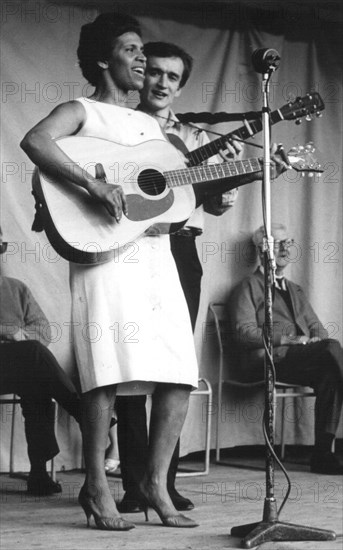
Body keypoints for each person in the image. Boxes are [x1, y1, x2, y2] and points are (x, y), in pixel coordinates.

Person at [21, 13, 202, 530]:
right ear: (103, 59)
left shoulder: (151, 125)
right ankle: (96, 487)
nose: (143, 59)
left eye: (143, 49)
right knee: (104, 371)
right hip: (102, 252)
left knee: (177, 371)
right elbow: (36, 142)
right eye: (130, 49)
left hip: (153, 253)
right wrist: (94, 187)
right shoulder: (82, 110)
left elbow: (172, 196)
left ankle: (153, 483)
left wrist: (248, 169)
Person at [115, 41, 242, 515]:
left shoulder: (194, 134)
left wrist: (224, 188)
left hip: (181, 247)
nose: (163, 84)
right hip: (131, 244)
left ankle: (161, 480)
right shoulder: (121, 127)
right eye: (156, 74)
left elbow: (208, 201)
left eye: (173, 77)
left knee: (174, 365)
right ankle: (131, 485)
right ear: (141, 75)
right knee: (130, 364)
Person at [227, 223, 343, 474]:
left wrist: (313, 340)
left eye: (287, 242)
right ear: (262, 250)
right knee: (332, 348)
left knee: (331, 375)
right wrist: (288, 340)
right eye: (278, 244)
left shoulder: (295, 290)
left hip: (293, 361)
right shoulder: (247, 286)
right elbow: (243, 334)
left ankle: (322, 455)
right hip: (264, 362)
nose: (285, 249)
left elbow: (317, 328)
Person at [0, 227, 81, 496]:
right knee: (32, 355)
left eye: (0, 247)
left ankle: (38, 474)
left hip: (14, 365)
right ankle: (82, 412)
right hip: (13, 360)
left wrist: (17, 338)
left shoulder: (16, 288)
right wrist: (7, 332)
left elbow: (43, 330)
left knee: (36, 382)